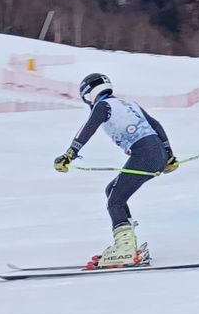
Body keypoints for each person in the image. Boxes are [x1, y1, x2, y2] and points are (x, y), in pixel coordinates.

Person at [53, 73, 179, 268]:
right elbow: (156, 125)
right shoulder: (129, 104)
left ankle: (125, 249)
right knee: (112, 191)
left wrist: (69, 154)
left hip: (144, 154)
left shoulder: (103, 106)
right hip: (156, 154)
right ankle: (127, 245)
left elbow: (88, 128)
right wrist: (168, 154)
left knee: (115, 200)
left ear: (89, 93)